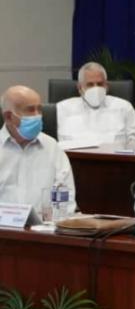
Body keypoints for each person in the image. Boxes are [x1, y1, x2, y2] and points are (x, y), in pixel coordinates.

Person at [0, 85, 76, 214]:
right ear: (8, 116)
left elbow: (65, 198)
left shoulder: (52, 147)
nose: (38, 115)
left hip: (44, 224)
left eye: (39, 109)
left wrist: (51, 221)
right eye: (30, 110)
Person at [56, 62, 135, 144]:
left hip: (114, 155)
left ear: (106, 86)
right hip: (71, 156)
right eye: (90, 85)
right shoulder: (62, 109)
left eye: (100, 84)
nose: (96, 88)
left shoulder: (124, 107)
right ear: (79, 88)